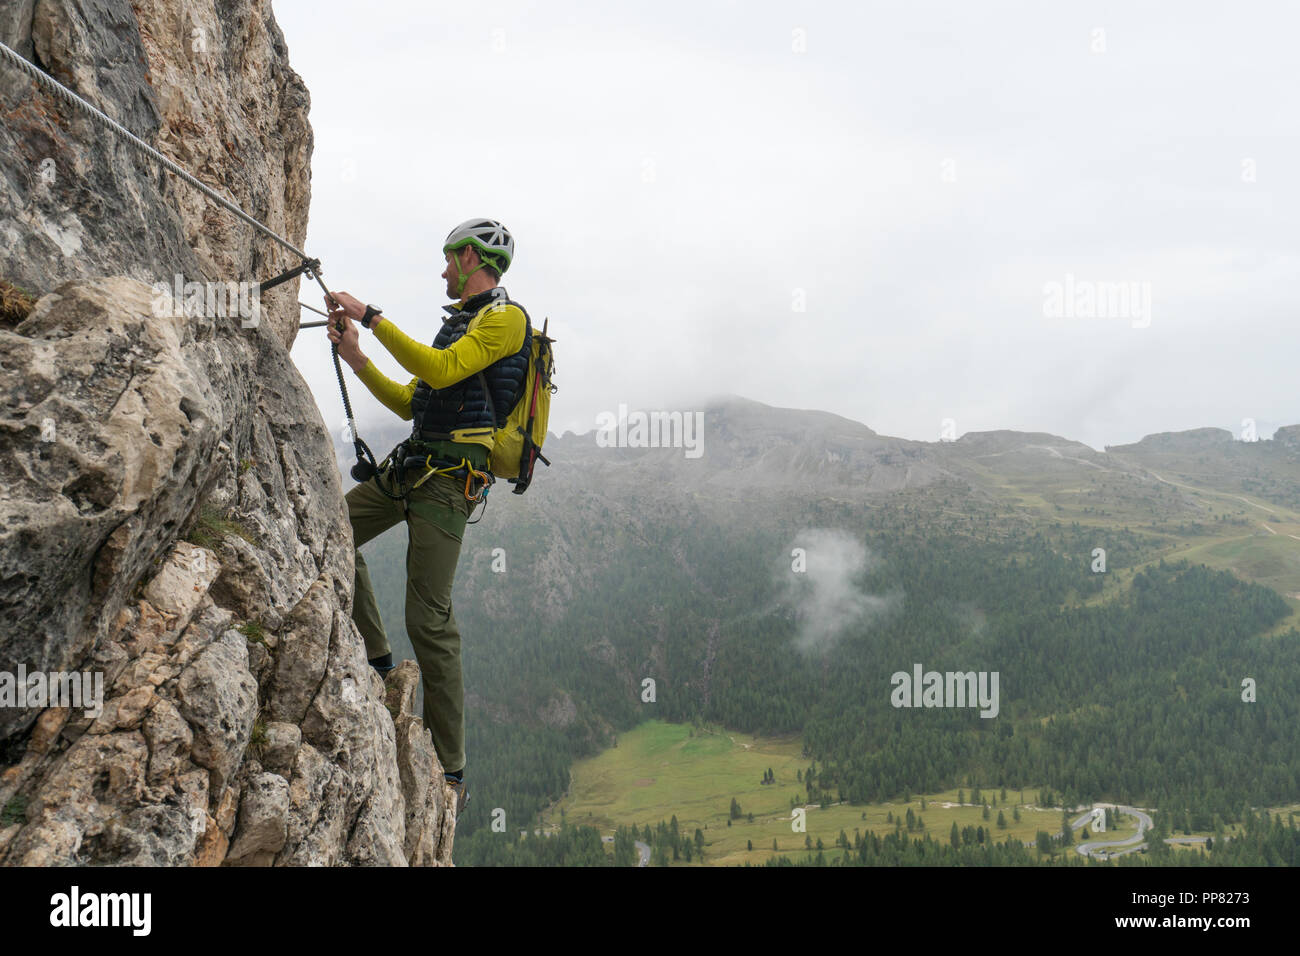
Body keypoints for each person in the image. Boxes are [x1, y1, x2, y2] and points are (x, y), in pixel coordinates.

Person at [325, 218, 531, 813]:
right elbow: (413, 400)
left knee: (430, 619)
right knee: (332, 531)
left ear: (471, 258)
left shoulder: (504, 319)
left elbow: (441, 374)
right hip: (411, 469)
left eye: (449, 260)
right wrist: (356, 356)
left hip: (448, 487)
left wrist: (370, 316)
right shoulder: (457, 327)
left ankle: (452, 768)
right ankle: (378, 660)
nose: (443, 270)